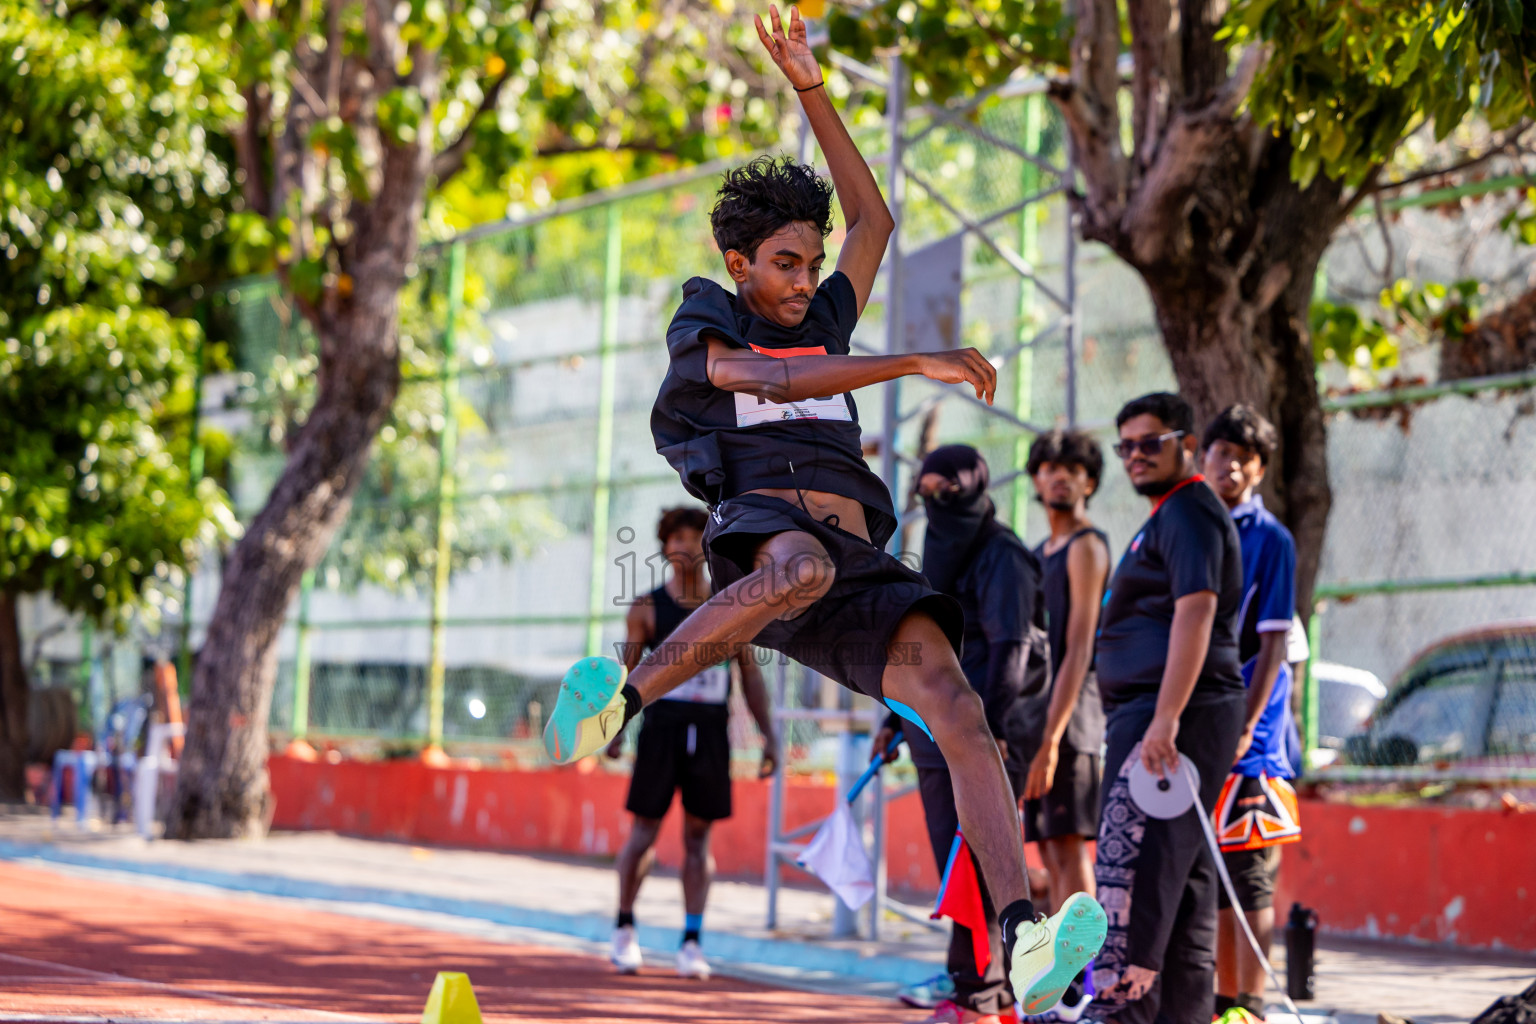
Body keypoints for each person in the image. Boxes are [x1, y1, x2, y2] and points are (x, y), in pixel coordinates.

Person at [541, 6, 1105, 1011]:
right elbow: (781, 379)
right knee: (794, 567)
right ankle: (623, 701)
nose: (805, 282)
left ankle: (1018, 938)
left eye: (811, 262)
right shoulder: (707, 317)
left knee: (962, 711)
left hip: (863, 574)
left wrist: (809, 86)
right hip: (768, 532)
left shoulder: (826, 312)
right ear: (742, 265)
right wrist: (914, 357)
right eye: (785, 265)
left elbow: (874, 221)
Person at [873, 445, 1051, 1024]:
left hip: (986, 739)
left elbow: (1012, 649)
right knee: (957, 869)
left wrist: (992, 730)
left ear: (976, 487)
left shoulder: (1004, 557)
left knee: (975, 865)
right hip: (931, 738)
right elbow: (923, 654)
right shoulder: (936, 562)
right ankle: (994, 995)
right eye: (927, 493)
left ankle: (975, 991)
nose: (936, 502)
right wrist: (892, 721)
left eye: (948, 490)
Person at [1084, 392, 1245, 1024]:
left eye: (1150, 443)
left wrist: (1166, 718)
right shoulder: (1171, 515)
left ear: (1186, 444)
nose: (1135, 457)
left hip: (1170, 717)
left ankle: (1122, 1006)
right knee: (1184, 879)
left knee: (1137, 865)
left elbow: (1196, 610)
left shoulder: (1188, 513)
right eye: (1124, 446)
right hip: (1164, 714)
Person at [605, 507, 778, 980]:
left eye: (693, 537)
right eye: (675, 538)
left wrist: (769, 737)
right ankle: (624, 928)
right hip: (661, 730)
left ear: (707, 546)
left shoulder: (731, 608)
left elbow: (750, 676)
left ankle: (692, 939)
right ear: (664, 547)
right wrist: (615, 729)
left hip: (710, 733)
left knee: (698, 838)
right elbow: (627, 676)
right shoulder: (645, 607)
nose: (684, 546)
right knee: (644, 831)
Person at [1200, 406, 1303, 1023]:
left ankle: (1253, 1007)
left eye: (1245, 457)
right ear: (1202, 458)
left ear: (1260, 469)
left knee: (1250, 873)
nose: (1231, 465)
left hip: (1251, 737)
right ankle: (1219, 1001)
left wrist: (1245, 726)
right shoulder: (1190, 526)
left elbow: (1272, 644)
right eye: (1221, 452)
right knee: (1210, 878)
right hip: (1199, 724)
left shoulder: (1272, 539)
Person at [1020, 430, 1111, 1022]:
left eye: (1071, 468)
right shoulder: (1037, 553)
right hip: (1038, 715)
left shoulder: (1085, 547)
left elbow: (1078, 646)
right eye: (1048, 466)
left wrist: (1052, 739)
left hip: (1074, 718)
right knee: (1051, 852)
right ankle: (1063, 982)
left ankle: (1090, 982)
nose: (1058, 476)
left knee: (1074, 853)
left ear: (1089, 482)